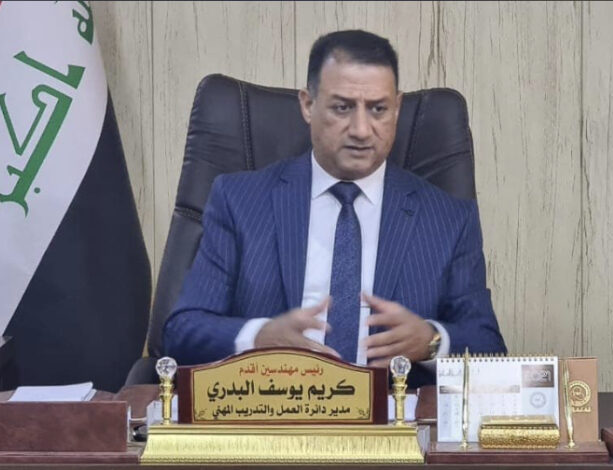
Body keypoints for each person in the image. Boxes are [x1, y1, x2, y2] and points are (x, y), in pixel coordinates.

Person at [162, 29, 506, 386]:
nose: (361, 130)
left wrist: (431, 342)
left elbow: (490, 347)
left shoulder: (448, 218)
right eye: (342, 107)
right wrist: (260, 338)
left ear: (397, 108)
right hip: (273, 407)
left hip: (394, 414)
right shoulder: (240, 201)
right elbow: (181, 332)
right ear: (308, 105)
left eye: (378, 109)